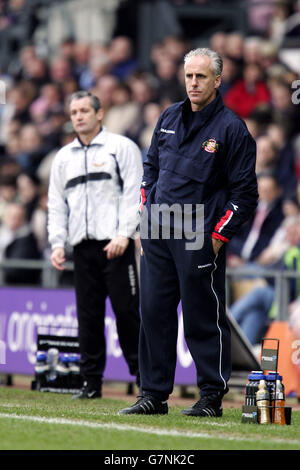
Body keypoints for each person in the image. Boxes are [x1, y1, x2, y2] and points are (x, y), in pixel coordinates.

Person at [120, 48, 258, 417]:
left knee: (202, 316)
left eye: (200, 77)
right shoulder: (168, 116)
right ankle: (153, 394)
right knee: (153, 312)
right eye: (188, 77)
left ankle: (211, 396)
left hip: (198, 230)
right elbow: (150, 170)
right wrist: (146, 214)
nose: (193, 83)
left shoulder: (232, 129)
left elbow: (245, 195)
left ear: (217, 80)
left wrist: (217, 238)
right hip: (157, 229)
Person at [47, 91, 143, 399]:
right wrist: (57, 243)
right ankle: (91, 383)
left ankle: (146, 380)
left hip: (116, 245)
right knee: (87, 316)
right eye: (74, 111)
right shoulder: (63, 158)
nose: (78, 116)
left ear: (99, 114)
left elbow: (134, 194)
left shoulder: (121, 148)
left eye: (84, 110)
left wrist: (124, 234)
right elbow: (56, 204)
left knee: (127, 313)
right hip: (83, 248)